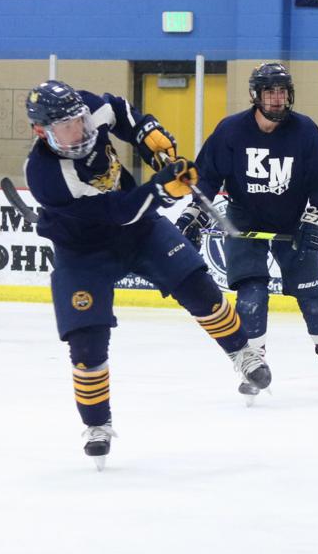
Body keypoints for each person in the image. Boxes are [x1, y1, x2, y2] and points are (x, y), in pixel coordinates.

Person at [23, 80, 270, 469]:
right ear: (42, 132)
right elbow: (118, 211)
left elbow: (120, 111)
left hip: (141, 231)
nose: (80, 130)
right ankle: (97, 425)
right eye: (67, 127)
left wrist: (146, 132)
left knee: (199, 288)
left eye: (80, 120)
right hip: (84, 251)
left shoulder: (88, 107)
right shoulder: (45, 175)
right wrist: (161, 190)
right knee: (86, 348)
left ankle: (242, 351)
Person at [179, 62, 318, 402]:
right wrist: (195, 213)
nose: (277, 99)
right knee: (251, 297)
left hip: (292, 221)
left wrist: (316, 215)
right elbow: (207, 177)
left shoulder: (304, 130)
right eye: (270, 92)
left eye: (282, 92)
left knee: (316, 299)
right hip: (244, 220)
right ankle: (254, 366)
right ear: (256, 96)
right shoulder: (231, 131)